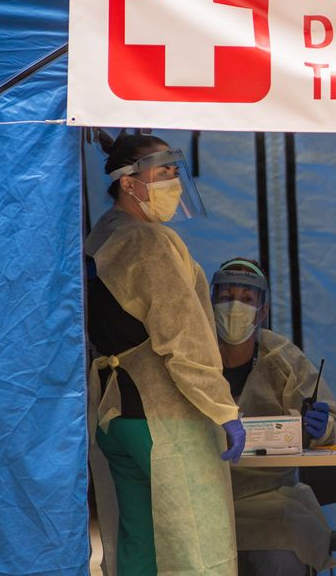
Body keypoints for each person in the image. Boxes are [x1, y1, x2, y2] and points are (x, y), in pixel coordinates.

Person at [85, 130, 245, 576]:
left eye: (176, 170)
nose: (174, 180)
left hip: (114, 417)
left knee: (141, 544)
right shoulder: (148, 242)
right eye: (163, 171)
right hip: (164, 418)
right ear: (129, 182)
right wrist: (222, 407)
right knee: (197, 549)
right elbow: (183, 335)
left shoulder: (102, 235)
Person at [210, 258, 336, 576]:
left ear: (263, 311)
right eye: (226, 297)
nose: (234, 307)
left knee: (281, 555)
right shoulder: (194, 359)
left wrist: (321, 428)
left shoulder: (283, 360)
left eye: (246, 299)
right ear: (210, 302)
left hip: (271, 501)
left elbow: (333, 424)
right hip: (206, 498)